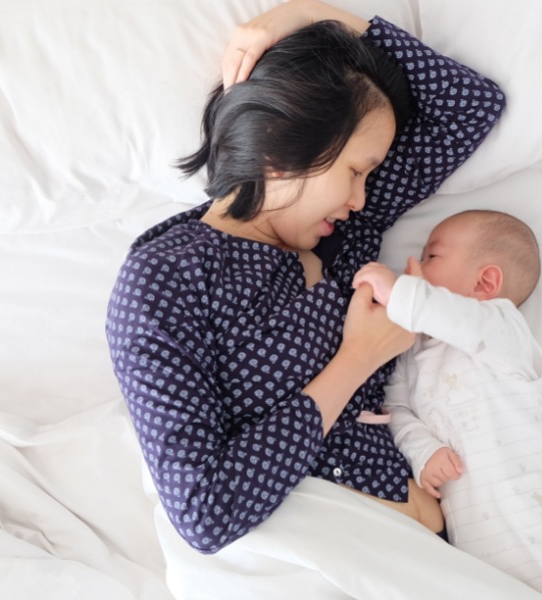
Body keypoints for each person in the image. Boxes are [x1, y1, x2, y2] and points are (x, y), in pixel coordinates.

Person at [105, 0, 505, 554]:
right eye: (355, 171)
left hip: (428, 553)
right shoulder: (166, 278)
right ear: (283, 140)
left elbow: (469, 106)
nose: (364, 195)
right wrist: (356, 360)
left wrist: (310, 15)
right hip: (320, 556)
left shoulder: (345, 233)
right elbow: (204, 511)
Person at [353, 209, 542, 599]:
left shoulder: (501, 329)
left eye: (431, 256)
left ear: (485, 282)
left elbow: (457, 320)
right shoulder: (411, 350)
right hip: (481, 546)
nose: (411, 266)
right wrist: (424, 450)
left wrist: (401, 293)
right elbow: (396, 410)